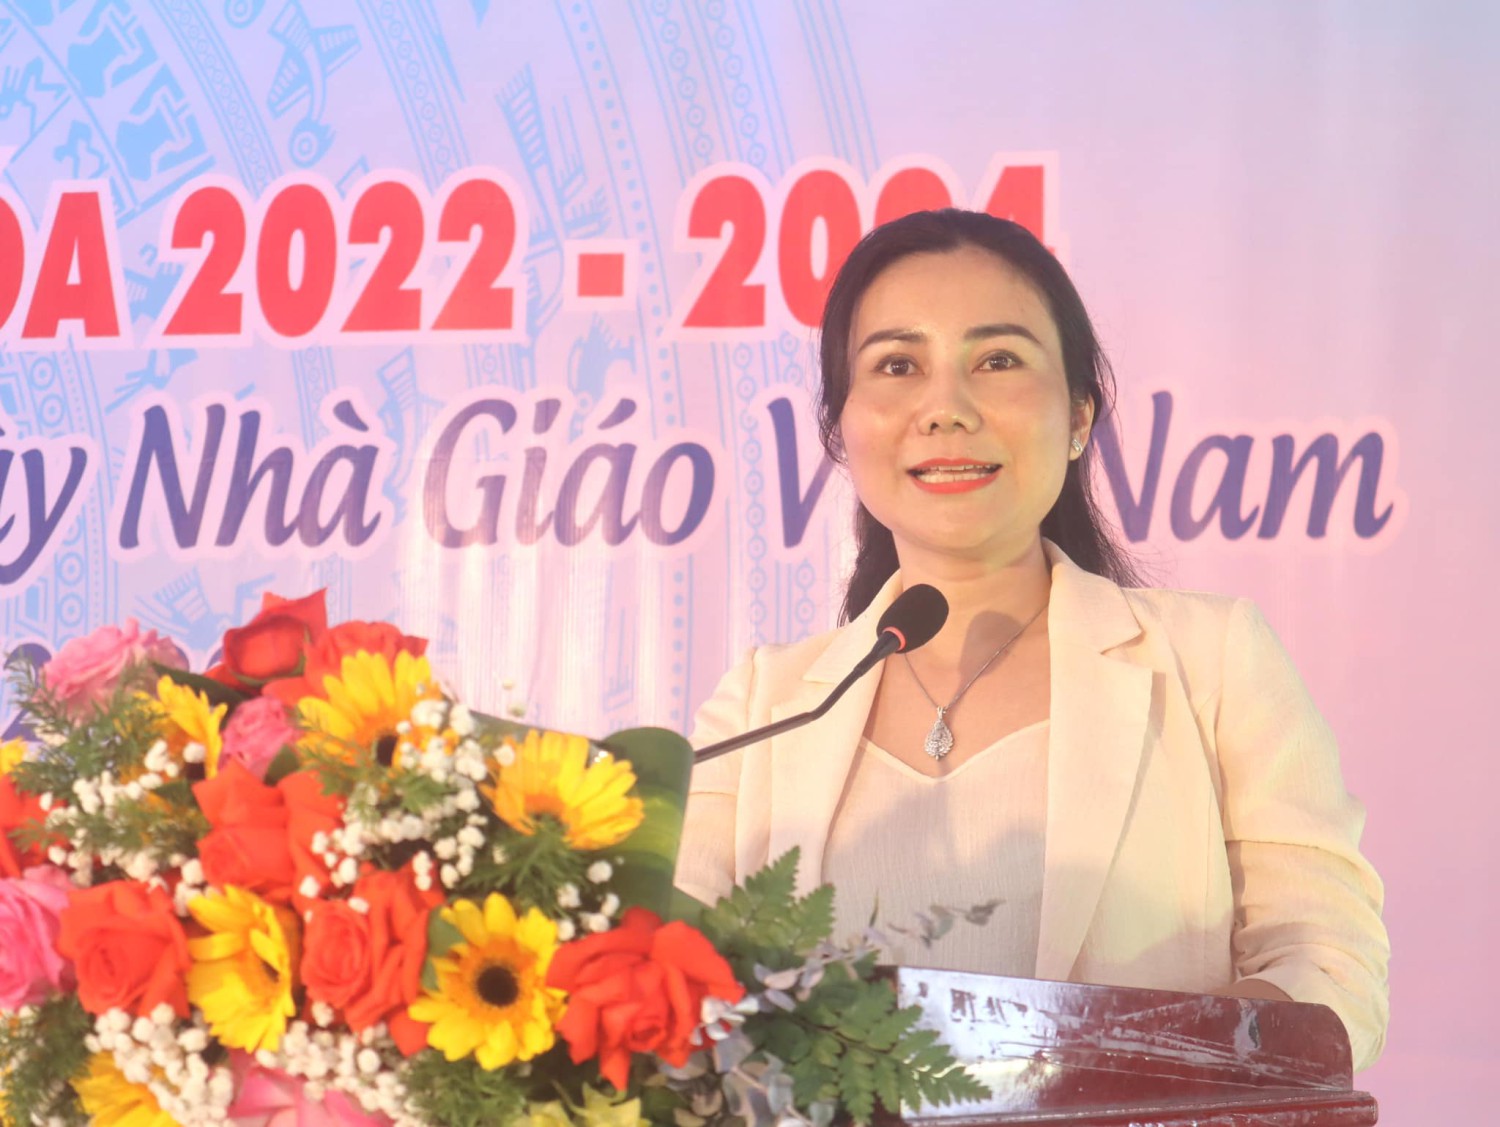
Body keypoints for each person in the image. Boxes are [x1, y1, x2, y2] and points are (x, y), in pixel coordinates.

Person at [674, 209, 1389, 1071]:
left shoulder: (1214, 661)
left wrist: (1082, 1073)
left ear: (1079, 416)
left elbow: (1329, 975)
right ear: (841, 428)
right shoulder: (762, 707)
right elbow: (659, 996)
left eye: (998, 361)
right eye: (897, 365)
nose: (946, 408)